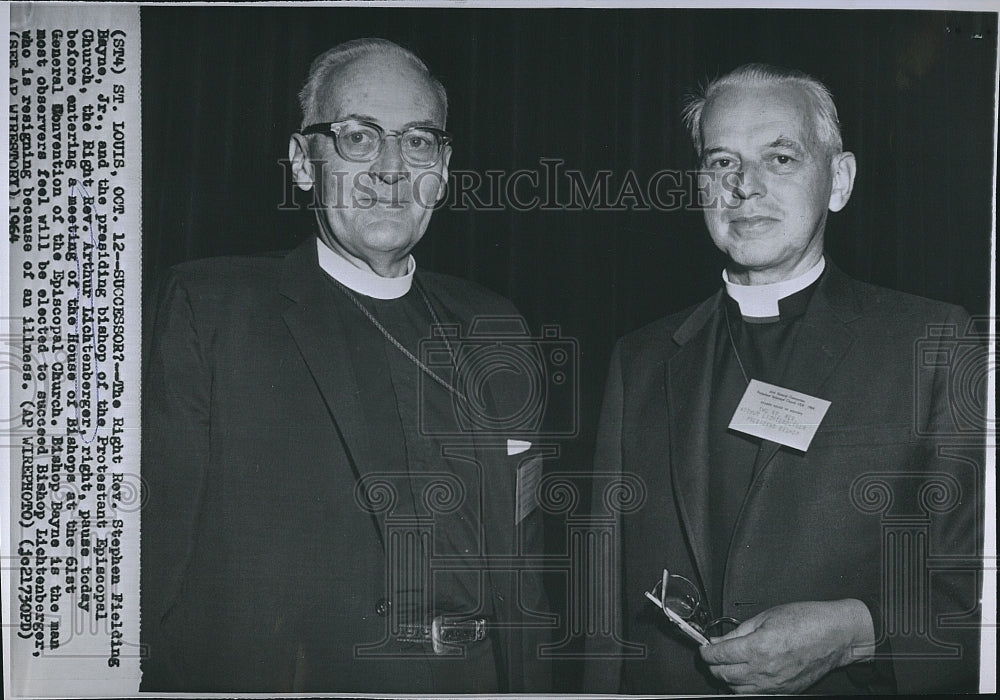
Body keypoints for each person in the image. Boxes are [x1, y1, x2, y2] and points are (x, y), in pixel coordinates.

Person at [141, 38, 549, 694]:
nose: (391, 168)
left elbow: (522, 565)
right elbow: (149, 571)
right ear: (304, 162)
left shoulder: (494, 322)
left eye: (418, 141)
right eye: (359, 136)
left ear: (442, 170)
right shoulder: (212, 308)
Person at [583, 63, 982, 694]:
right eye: (721, 162)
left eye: (780, 158)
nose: (744, 188)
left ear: (839, 181)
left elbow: (976, 594)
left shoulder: (931, 342)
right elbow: (603, 614)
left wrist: (856, 632)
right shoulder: (640, 359)